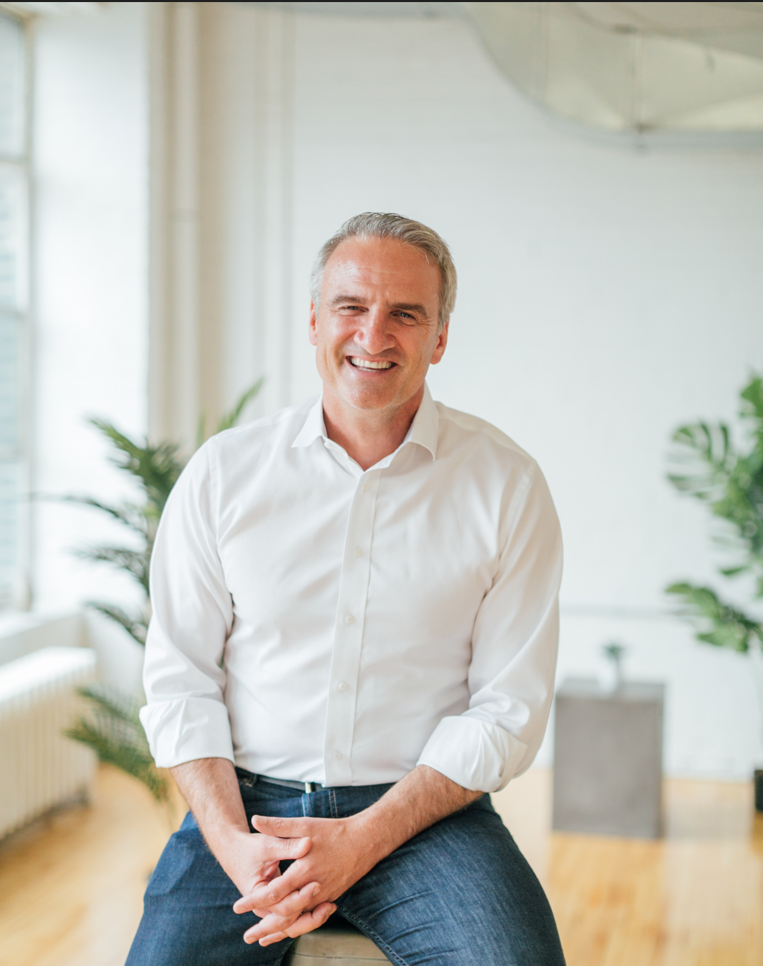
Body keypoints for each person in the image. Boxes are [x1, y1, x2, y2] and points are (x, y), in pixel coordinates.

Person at [126, 212, 566, 966]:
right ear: (314, 320)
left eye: (406, 314)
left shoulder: (506, 485)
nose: (374, 334)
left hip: (425, 817)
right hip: (247, 812)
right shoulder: (224, 476)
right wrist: (232, 845)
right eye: (351, 308)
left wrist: (364, 838)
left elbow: (507, 709)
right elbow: (180, 682)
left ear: (440, 338)